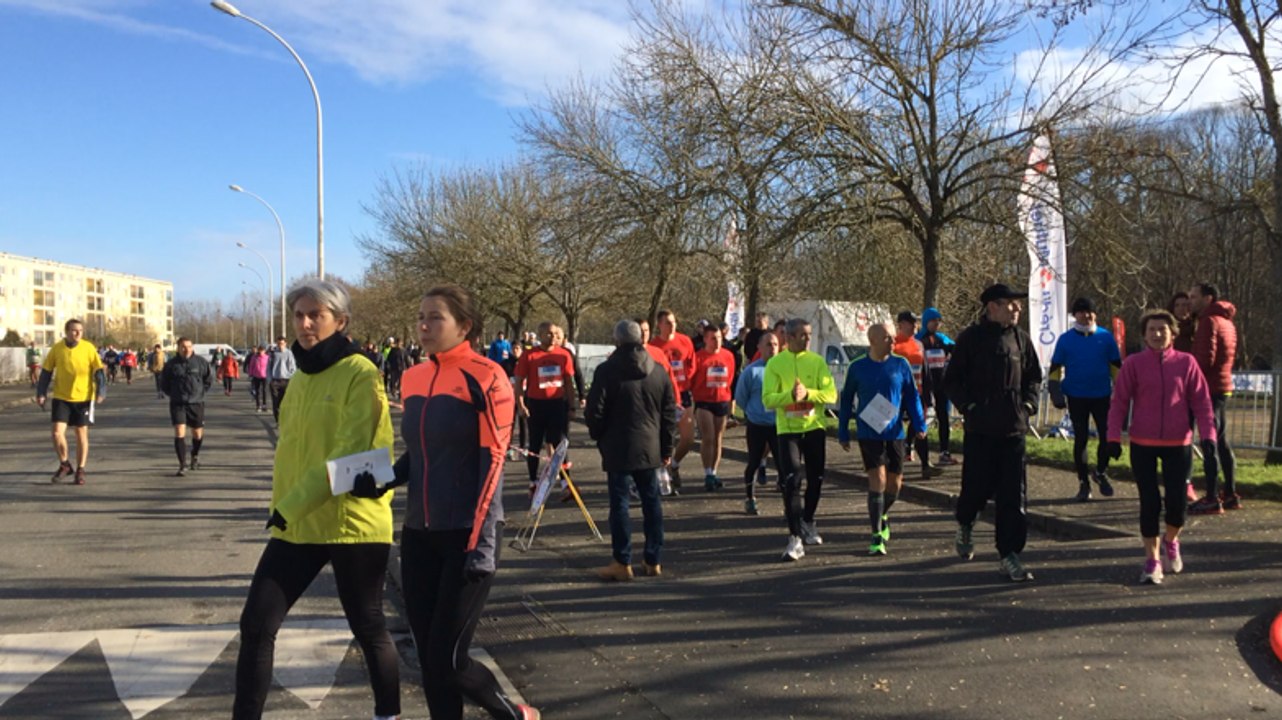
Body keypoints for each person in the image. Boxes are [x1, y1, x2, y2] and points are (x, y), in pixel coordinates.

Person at [352, 283, 539, 720]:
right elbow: (419, 453)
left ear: (465, 326)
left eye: (435, 317)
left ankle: (514, 715)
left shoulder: (488, 377)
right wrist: (380, 479)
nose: (423, 324)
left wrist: (480, 544)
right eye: (421, 316)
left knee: (449, 660)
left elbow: (492, 465)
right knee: (430, 660)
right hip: (419, 535)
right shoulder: (414, 377)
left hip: (468, 536)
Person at [232, 279, 401, 720]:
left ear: (340, 322)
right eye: (299, 315)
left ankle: (388, 714)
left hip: (351, 523)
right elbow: (292, 454)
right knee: (256, 625)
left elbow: (350, 455)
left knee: (368, 627)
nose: (305, 324)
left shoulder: (361, 373)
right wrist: (287, 507)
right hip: (300, 523)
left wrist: (288, 506)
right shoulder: (301, 376)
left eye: (316, 316)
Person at [1106, 309, 1216, 584]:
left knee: (1177, 505)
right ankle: (1152, 560)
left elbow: (1202, 402)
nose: (1157, 334)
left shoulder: (1187, 363)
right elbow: (1119, 402)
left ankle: (1171, 540)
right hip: (1143, 442)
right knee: (1150, 502)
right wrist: (1112, 438)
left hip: (1178, 442)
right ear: (1144, 335)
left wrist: (1209, 436)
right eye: (1151, 330)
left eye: (1162, 330)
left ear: (1172, 334)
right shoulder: (1133, 364)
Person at [943, 283, 1042, 582]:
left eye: (1018, 304)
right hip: (981, 431)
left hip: (1013, 430)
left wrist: (1028, 405)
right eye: (1010, 304)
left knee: (1013, 495)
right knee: (975, 489)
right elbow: (952, 380)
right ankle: (966, 522)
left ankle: (1010, 554)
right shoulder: (970, 339)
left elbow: (1034, 377)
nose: (1017, 309)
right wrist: (969, 407)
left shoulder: (1021, 339)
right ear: (992, 307)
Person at [586, 319, 678, 583]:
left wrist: (599, 436)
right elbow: (668, 412)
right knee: (652, 503)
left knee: (620, 505)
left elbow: (595, 410)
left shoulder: (606, 371)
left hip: (617, 445)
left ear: (617, 341)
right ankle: (653, 558)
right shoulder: (658, 371)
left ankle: (622, 560)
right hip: (650, 445)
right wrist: (666, 446)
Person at [838, 322, 927, 556]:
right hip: (869, 433)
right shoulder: (858, 367)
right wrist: (843, 431)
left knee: (895, 483)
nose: (893, 341)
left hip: (894, 432)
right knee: (877, 478)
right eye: (887, 338)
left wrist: (919, 423)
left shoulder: (901, 364)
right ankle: (876, 535)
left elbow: (912, 396)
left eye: (892, 337)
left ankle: (883, 513)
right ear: (873, 341)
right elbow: (846, 400)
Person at [762, 318, 837, 561]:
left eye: (809, 335)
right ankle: (794, 538)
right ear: (789, 338)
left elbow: (831, 393)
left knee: (815, 479)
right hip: (788, 430)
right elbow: (768, 399)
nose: (807, 340)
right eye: (803, 335)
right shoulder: (775, 364)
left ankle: (808, 520)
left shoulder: (816, 362)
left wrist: (809, 394)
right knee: (792, 480)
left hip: (814, 427)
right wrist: (789, 396)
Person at [1047, 296, 1122, 502]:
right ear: (1075, 315)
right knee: (1081, 439)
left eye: (1089, 311)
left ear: (1095, 314)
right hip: (1076, 395)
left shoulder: (1106, 338)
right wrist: (1056, 393)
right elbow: (1054, 370)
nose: (1086, 315)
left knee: (1107, 437)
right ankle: (1083, 483)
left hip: (1102, 395)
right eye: (1081, 312)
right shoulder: (1065, 339)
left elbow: (1116, 367)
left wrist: (1121, 392)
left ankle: (1100, 471)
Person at [1187, 282, 1240, 514]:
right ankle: (1229, 493)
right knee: (1222, 440)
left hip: (1208, 388)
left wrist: (1187, 377)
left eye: (1194, 296)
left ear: (1208, 298)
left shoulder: (1208, 321)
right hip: (1223, 384)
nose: (1190, 301)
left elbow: (1204, 359)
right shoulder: (1226, 320)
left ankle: (1211, 496)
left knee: (1209, 442)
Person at [35, 319, 106, 486]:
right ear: (67, 331)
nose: (78, 333)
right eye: (74, 330)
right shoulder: (57, 349)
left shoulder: (88, 348)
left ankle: (80, 469)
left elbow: (99, 371)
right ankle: (65, 464)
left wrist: (101, 391)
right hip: (61, 397)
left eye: (80, 330)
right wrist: (41, 393)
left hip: (83, 398)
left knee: (81, 434)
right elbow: (46, 372)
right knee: (56, 433)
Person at [514, 322, 577, 493]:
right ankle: (533, 482)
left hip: (556, 405)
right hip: (536, 405)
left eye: (556, 334)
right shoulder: (529, 355)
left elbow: (569, 384)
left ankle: (566, 483)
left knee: (560, 444)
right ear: (540, 335)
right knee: (534, 445)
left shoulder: (564, 355)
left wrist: (572, 406)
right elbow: (519, 382)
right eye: (549, 334)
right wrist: (521, 405)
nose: (553, 337)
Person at [733, 331, 781, 515]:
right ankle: (750, 498)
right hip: (757, 424)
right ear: (759, 348)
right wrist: (753, 413)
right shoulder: (751, 371)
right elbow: (741, 398)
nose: (772, 348)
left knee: (782, 463)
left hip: (778, 425)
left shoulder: (783, 371)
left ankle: (787, 501)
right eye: (768, 345)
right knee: (754, 461)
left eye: (775, 344)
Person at [648, 310, 697, 490]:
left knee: (688, 437)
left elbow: (692, 365)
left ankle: (674, 464)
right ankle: (663, 473)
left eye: (674, 322)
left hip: (683, 393)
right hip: (663, 395)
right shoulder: (654, 346)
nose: (672, 325)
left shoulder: (685, 341)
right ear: (659, 325)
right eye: (667, 322)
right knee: (664, 436)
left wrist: (684, 381)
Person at [690, 324, 736, 491]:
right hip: (703, 401)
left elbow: (730, 377)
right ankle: (707, 472)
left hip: (722, 400)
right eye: (713, 338)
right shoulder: (699, 357)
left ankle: (714, 473)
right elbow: (692, 379)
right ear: (705, 340)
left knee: (718, 438)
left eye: (719, 338)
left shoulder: (728, 356)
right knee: (707, 437)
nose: (717, 342)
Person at [892, 311, 938, 476]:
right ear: (901, 324)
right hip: (896, 395)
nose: (915, 327)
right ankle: (891, 464)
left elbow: (925, 371)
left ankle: (926, 465)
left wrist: (928, 394)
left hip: (915, 394)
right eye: (911, 323)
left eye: (916, 323)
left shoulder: (918, 344)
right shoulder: (893, 345)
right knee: (893, 429)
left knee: (921, 427)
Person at [160, 338, 214, 476]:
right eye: (183, 346)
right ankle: (182, 464)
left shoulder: (201, 362)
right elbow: (164, 383)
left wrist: (199, 393)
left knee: (197, 433)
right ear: (178, 347)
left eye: (189, 346)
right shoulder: (171, 365)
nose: (186, 349)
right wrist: (174, 394)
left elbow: (208, 380)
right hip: (178, 403)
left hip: (196, 403)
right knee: (179, 431)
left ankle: (194, 455)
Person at [1167, 291, 1200, 502]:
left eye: (1186, 305)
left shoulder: (1198, 330)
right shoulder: (1166, 332)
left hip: (1190, 391)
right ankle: (1171, 480)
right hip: (1169, 393)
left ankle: (1186, 482)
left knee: (1186, 440)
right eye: (1178, 305)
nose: (1182, 309)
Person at [916, 307, 957, 465]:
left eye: (939, 321)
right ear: (927, 322)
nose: (937, 324)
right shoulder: (918, 340)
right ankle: (910, 446)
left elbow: (957, 349)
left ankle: (944, 452)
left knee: (943, 418)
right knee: (920, 417)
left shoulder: (942, 339)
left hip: (941, 385)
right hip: (924, 384)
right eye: (934, 321)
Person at [267, 336, 296, 424]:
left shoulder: (289, 353)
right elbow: (268, 368)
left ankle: (285, 420)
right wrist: (270, 380)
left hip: (286, 380)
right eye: (279, 344)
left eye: (282, 344)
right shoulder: (273, 354)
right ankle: (278, 421)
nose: (280, 346)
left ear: (285, 344)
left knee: (285, 402)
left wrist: (291, 378)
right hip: (275, 381)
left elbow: (293, 368)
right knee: (276, 402)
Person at [246, 346, 270, 412]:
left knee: (264, 390)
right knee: (257, 391)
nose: (261, 352)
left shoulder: (267, 357)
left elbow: (270, 366)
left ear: (264, 351)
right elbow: (251, 366)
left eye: (262, 351)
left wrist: (270, 375)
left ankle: (264, 405)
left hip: (265, 376)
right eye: (260, 350)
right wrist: (250, 374)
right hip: (256, 376)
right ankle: (258, 405)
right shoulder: (254, 357)